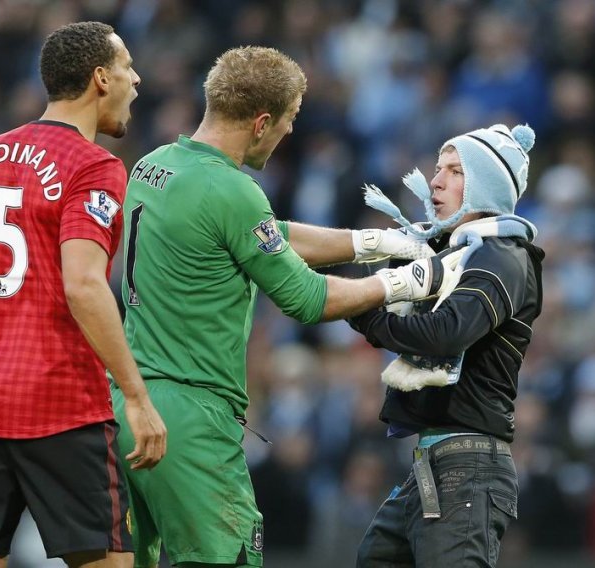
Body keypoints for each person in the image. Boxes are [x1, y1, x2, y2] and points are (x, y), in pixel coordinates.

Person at [110, 46, 465, 568]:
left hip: (129, 408)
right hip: (192, 420)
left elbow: (263, 236)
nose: (291, 132)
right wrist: (408, 279)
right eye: (289, 119)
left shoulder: (153, 167)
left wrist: (373, 242)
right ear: (261, 123)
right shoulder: (234, 190)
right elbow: (307, 299)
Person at [0, 22, 167, 568]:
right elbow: (84, 283)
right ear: (100, 79)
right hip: (63, 408)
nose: (136, 79)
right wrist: (137, 398)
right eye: (126, 67)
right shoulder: (93, 167)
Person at [348, 123, 544, 567]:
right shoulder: (446, 253)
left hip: (470, 465)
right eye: (438, 168)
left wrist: (365, 313)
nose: (435, 180)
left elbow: (446, 333)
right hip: (433, 464)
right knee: (374, 557)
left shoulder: (503, 255)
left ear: (487, 186)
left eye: (455, 171)